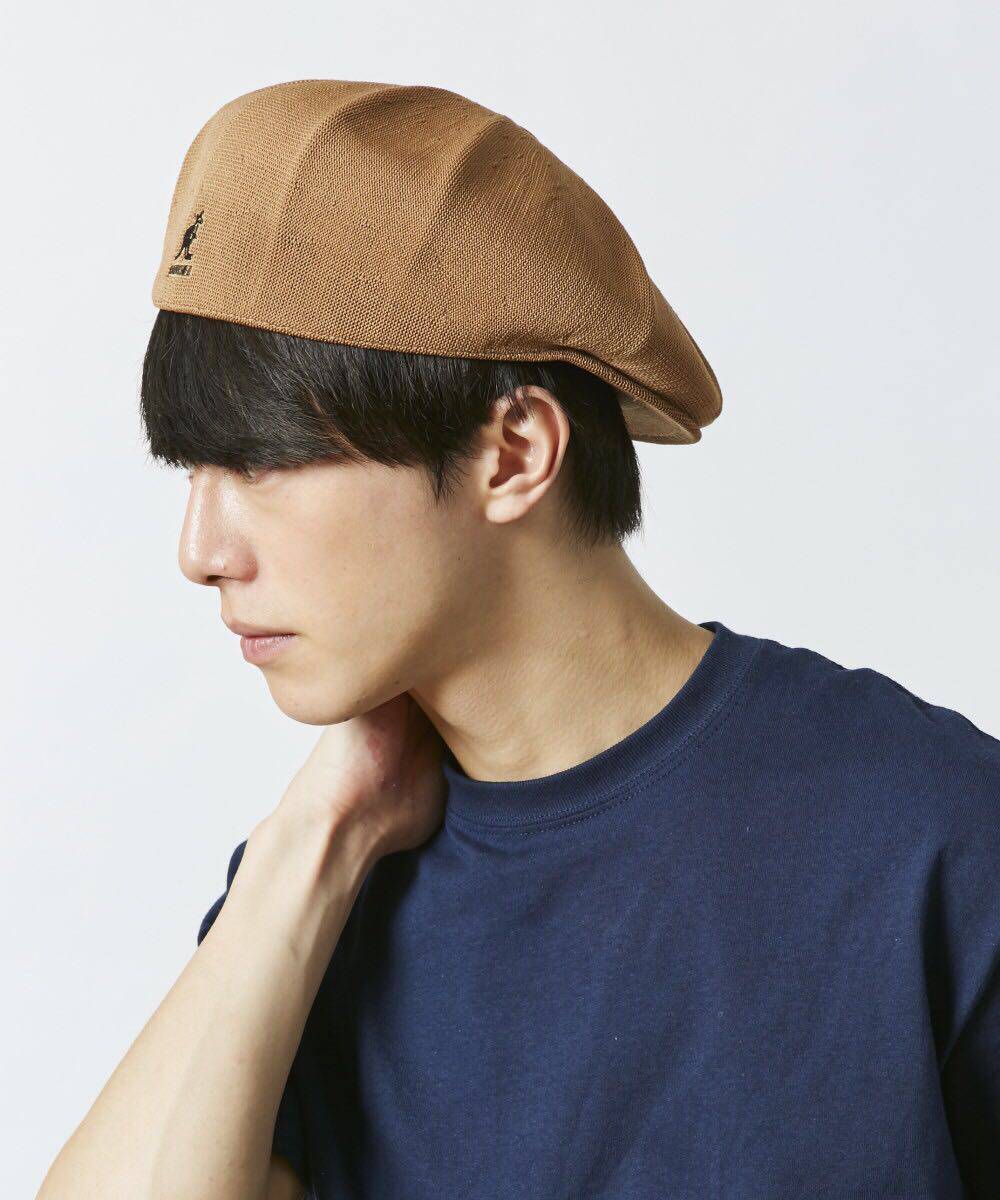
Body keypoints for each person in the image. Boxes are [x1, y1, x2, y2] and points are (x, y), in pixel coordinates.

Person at [37, 80, 998, 1200]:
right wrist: (306, 850)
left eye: (260, 461)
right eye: (189, 470)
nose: (199, 550)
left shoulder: (926, 836)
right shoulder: (314, 898)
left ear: (514, 453)